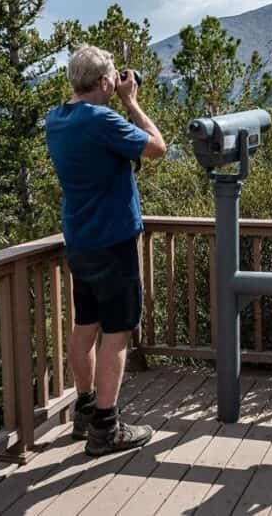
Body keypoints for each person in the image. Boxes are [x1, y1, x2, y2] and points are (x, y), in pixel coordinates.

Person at [45, 44, 167, 456]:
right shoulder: (103, 121)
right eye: (112, 78)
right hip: (114, 243)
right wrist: (131, 102)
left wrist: (109, 92)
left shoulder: (57, 119)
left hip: (80, 242)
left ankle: (83, 412)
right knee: (116, 336)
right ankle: (106, 428)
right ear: (103, 82)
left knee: (86, 327)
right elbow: (157, 148)